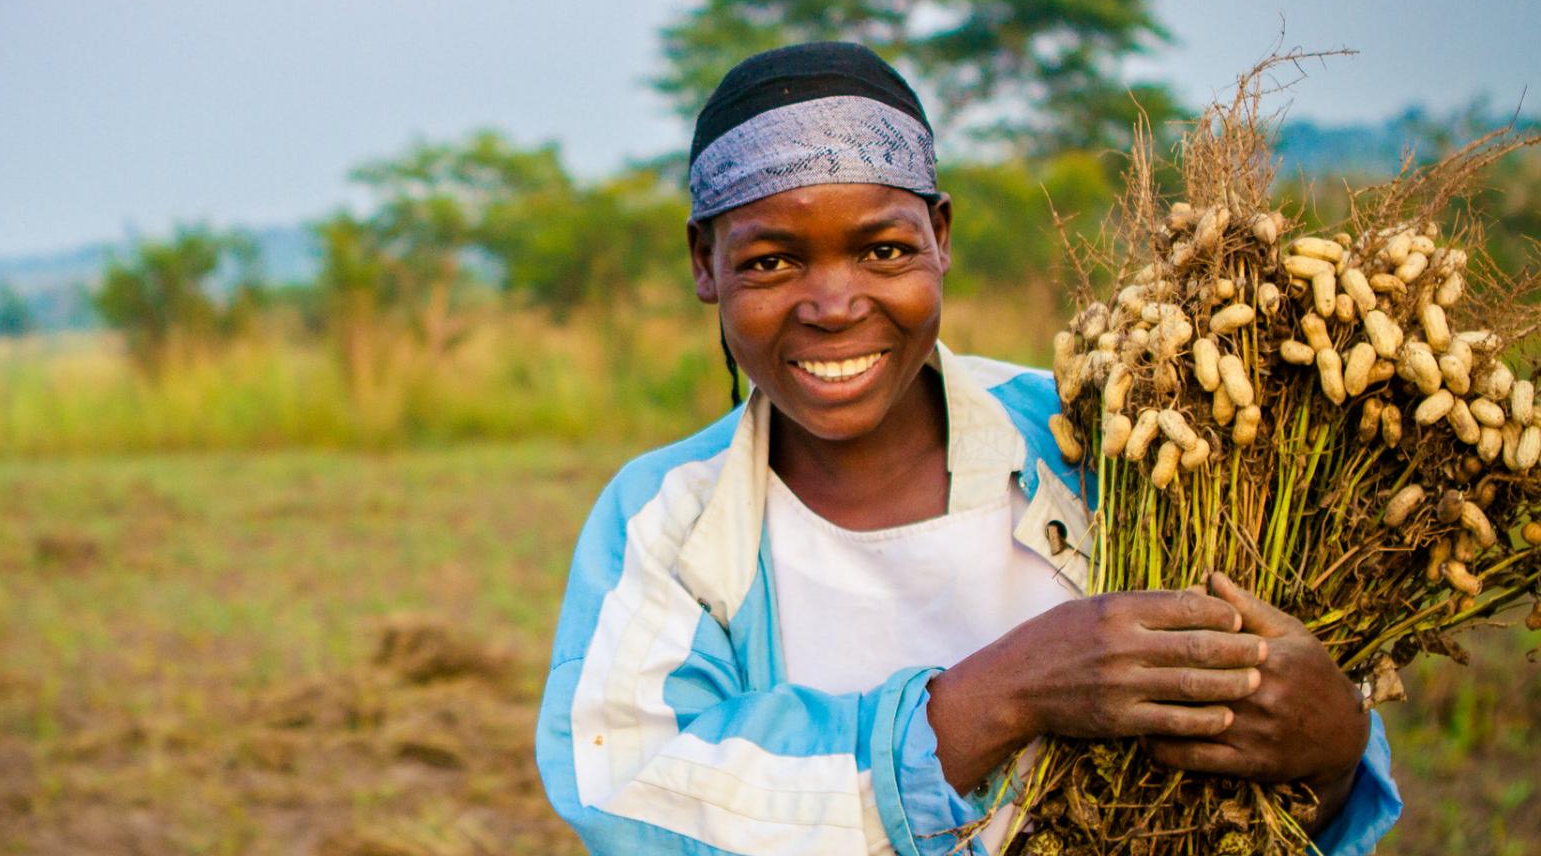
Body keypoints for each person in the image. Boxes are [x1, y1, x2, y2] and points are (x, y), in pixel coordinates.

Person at [533, 42, 1400, 855]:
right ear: (704, 262)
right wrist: (1005, 691)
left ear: (940, 239)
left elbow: (1283, 773)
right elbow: (631, 792)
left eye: (883, 250)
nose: (834, 306)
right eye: (771, 262)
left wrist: (1335, 747)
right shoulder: (668, 521)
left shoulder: (1107, 441)